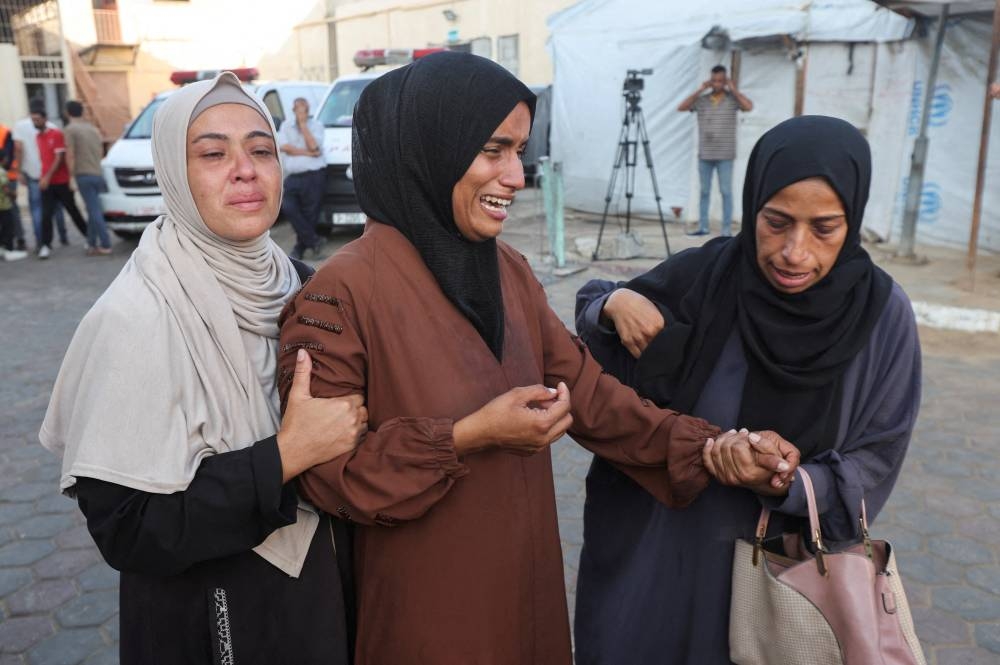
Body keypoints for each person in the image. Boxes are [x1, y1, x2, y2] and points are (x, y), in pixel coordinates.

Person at [277, 52, 797, 665]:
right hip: (428, 609)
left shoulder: (508, 273)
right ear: (431, 147)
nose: (516, 177)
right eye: (493, 150)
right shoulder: (340, 292)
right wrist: (469, 435)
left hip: (526, 593)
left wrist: (714, 448)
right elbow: (328, 477)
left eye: (519, 152)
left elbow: (592, 395)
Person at [40, 73, 365, 665]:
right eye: (213, 153)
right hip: (211, 619)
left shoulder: (304, 287)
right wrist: (285, 455)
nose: (245, 169)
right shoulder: (134, 317)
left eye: (261, 150)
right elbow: (128, 529)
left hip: (320, 596)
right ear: (173, 172)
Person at [573, 115, 922, 665]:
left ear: (851, 221)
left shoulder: (881, 317)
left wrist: (788, 478)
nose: (794, 252)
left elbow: (877, 456)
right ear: (753, 204)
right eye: (775, 222)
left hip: (784, 579)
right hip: (661, 553)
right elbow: (593, 326)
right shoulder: (708, 275)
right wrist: (612, 303)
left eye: (823, 228)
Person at [677, 64, 753, 237]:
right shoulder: (702, 100)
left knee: (726, 191)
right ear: (710, 81)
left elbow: (748, 107)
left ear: (725, 81)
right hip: (705, 154)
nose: (717, 84)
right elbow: (681, 107)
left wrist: (733, 89)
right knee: (704, 192)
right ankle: (703, 227)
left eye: (720, 81)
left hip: (725, 154)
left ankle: (726, 231)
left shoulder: (732, 100)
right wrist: (699, 90)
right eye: (714, 80)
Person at [32, 106, 88, 259]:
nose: (35, 122)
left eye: (37, 119)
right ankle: (45, 245)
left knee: (73, 211)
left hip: (60, 181)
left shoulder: (55, 134)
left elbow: (59, 158)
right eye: (33, 120)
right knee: (46, 214)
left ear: (44, 118)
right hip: (47, 182)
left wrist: (47, 177)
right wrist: (43, 177)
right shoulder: (38, 137)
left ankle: (89, 236)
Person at [13, 101, 67, 250]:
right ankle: (63, 235)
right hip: (49, 174)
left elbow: (18, 148)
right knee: (56, 207)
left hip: (32, 173)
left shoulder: (20, 126)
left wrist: (18, 170)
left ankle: (40, 241)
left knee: (37, 208)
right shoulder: (52, 127)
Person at [278, 96, 325, 260]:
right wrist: (308, 153)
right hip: (293, 176)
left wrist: (304, 125)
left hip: (313, 175)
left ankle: (299, 248)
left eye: (303, 110)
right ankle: (314, 240)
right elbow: (285, 147)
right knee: (288, 207)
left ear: (308, 111)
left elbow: (314, 146)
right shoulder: (286, 126)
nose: (301, 112)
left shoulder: (317, 126)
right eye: (298, 109)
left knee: (310, 214)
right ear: (293, 110)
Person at [64, 100, 113, 256]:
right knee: (92, 209)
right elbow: (100, 151)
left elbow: (70, 154)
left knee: (94, 210)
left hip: (83, 174)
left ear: (67, 112)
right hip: (97, 172)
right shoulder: (93, 129)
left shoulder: (70, 130)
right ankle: (91, 242)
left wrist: (71, 177)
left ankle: (105, 243)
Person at [0, 122, 28, 261]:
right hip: (4, 176)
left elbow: (8, 157)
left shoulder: (5, 132)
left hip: (7, 177)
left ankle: (19, 239)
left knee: (11, 210)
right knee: (8, 211)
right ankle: (9, 244)